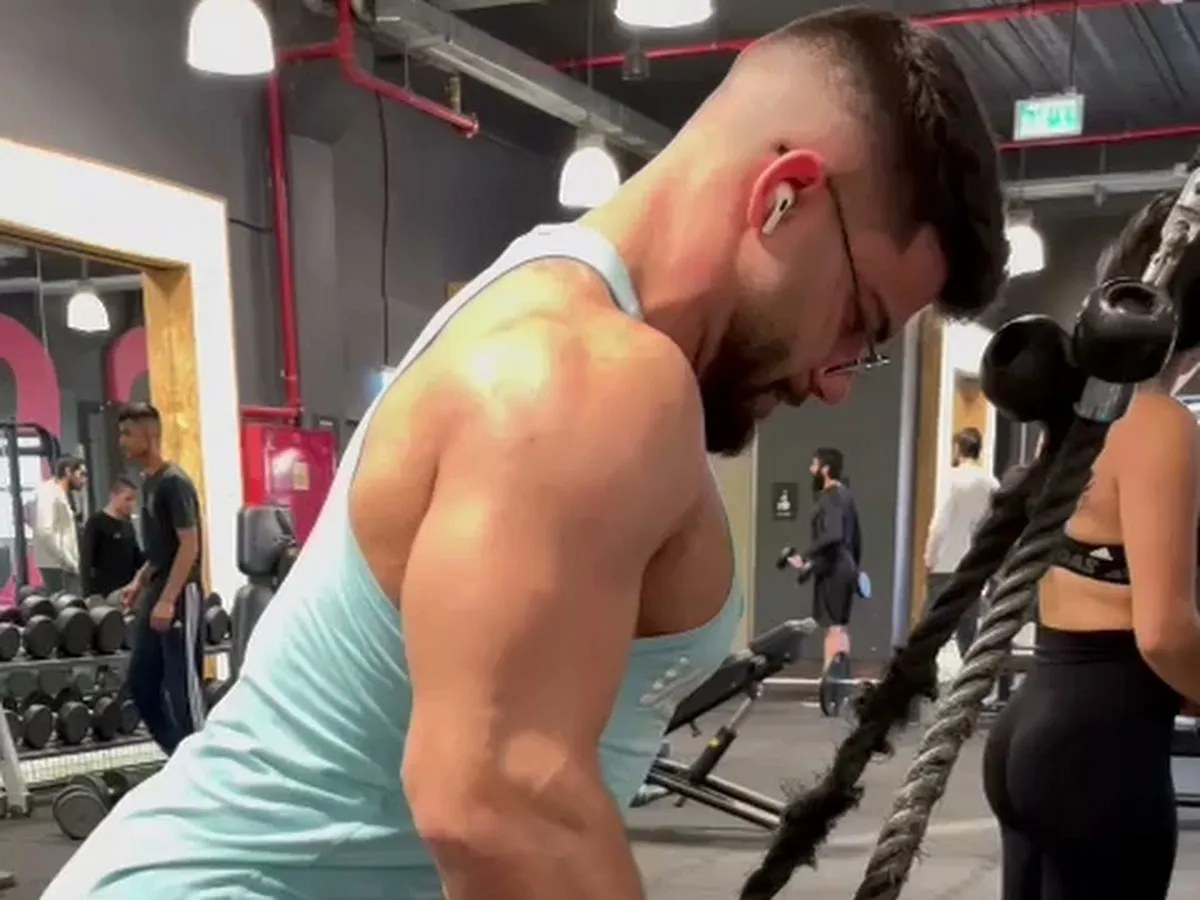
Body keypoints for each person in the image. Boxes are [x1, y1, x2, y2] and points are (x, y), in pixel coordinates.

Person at [43, 8, 1007, 899]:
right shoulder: (586, 371)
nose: (837, 380)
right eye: (857, 321)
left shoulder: (562, 315)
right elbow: (499, 805)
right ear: (783, 198)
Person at [982, 188, 1200, 899]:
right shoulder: (1159, 423)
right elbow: (1163, 633)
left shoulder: (1081, 412)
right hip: (1100, 754)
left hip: (1033, 729)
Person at [113, 403, 207, 756]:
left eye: (128, 433)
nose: (122, 441)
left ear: (149, 434)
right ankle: (182, 759)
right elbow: (160, 549)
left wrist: (168, 598)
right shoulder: (149, 482)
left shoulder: (174, 482)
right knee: (141, 684)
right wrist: (139, 582)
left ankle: (206, 767)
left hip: (181, 593)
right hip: (158, 590)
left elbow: (189, 545)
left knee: (183, 692)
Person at [785, 448, 862, 689]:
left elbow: (833, 534)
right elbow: (856, 539)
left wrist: (806, 556)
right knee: (839, 626)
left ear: (825, 469)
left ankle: (830, 684)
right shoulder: (845, 495)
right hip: (844, 566)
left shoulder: (831, 496)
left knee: (833, 628)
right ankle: (840, 684)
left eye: (814, 465)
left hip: (835, 569)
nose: (811, 469)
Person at [924, 426, 998, 661]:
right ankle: (972, 672)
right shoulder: (991, 483)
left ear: (958, 448)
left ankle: (923, 675)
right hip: (973, 563)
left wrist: (930, 554)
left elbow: (940, 523)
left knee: (931, 626)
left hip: (946, 561)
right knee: (968, 628)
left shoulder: (953, 479)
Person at [80, 476, 144, 600]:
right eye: (127, 499)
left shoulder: (128, 525)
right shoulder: (96, 522)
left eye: (134, 500)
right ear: (113, 496)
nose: (132, 504)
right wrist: (88, 595)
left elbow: (136, 557)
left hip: (126, 593)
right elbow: (86, 561)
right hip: (103, 592)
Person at [32, 456, 87, 593]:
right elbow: (45, 531)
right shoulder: (49, 492)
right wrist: (67, 560)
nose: (84, 480)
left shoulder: (61, 493)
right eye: (81, 474)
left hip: (63, 565)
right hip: (57, 565)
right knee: (67, 603)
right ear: (68, 472)